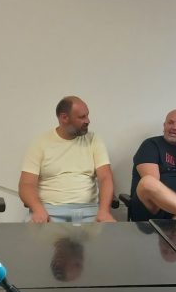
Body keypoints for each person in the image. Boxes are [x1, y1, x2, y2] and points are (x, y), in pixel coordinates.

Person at [19, 96, 116, 224]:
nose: (88, 121)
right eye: (82, 117)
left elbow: (105, 178)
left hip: (88, 212)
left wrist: (104, 211)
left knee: (108, 234)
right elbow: (26, 184)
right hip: (48, 212)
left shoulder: (94, 140)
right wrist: (38, 210)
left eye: (87, 115)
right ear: (64, 118)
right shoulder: (40, 142)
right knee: (31, 235)